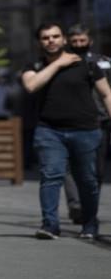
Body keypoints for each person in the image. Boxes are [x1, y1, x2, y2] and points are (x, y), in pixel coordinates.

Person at [22, 22, 111, 240]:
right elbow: (32, 86)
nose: (51, 40)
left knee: (88, 180)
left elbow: (106, 93)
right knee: (50, 175)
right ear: (39, 42)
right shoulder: (34, 65)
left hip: (86, 130)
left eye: (55, 36)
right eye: (45, 37)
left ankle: (90, 223)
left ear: (63, 39)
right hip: (49, 131)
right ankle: (50, 225)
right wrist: (58, 64)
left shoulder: (87, 64)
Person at [61, 24, 111, 224]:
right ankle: (76, 205)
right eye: (74, 42)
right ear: (68, 42)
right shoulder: (61, 63)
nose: (78, 44)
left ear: (90, 41)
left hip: (100, 121)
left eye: (82, 41)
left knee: (97, 170)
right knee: (70, 167)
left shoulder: (105, 63)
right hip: (70, 121)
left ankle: (90, 207)